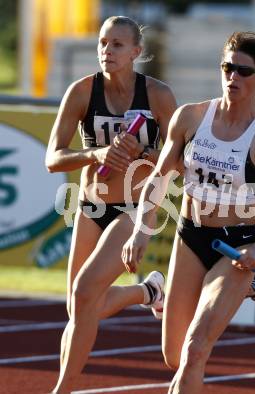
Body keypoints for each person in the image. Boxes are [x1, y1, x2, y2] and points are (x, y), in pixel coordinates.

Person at [122, 31, 255, 393]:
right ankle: (163, 294)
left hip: (236, 248)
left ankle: (241, 284)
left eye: (243, 71)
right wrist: (142, 228)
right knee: (173, 355)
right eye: (227, 68)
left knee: (195, 349)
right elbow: (159, 176)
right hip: (190, 236)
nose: (233, 77)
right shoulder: (190, 117)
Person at [45, 16, 177, 393]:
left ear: (136, 52)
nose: (107, 51)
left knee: (86, 294)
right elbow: (53, 158)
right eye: (103, 43)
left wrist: (145, 153)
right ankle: (147, 292)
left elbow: (181, 158)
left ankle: (62, 389)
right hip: (91, 206)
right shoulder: (83, 92)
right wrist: (97, 153)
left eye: (117, 44)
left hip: (136, 208)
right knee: (78, 308)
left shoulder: (158, 95)